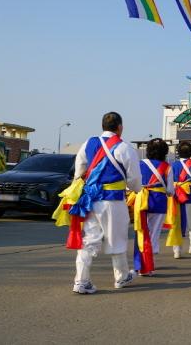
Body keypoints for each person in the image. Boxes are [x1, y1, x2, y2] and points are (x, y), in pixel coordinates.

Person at [71, 112, 142, 294]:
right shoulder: (125, 148)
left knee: (89, 240)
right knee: (116, 238)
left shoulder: (89, 143)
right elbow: (135, 180)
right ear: (120, 127)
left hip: (90, 200)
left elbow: (79, 170)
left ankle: (81, 281)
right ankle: (121, 277)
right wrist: (135, 190)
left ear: (102, 126)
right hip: (113, 201)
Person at [130, 138, 174, 276]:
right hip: (159, 202)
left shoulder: (139, 164)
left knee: (141, 232)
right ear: (164, 152)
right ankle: (148, 265)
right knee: (153, 234)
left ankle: (141, 265)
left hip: (141, 200)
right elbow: (170, 191)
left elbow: (131, 183)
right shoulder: (167, 167)